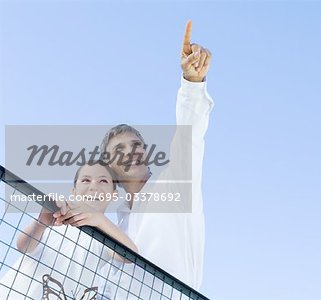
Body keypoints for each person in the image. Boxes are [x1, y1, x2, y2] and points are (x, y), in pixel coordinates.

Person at [100, 20, 213, 293]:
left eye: (136, 145)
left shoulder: (175, 185)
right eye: (120, 151)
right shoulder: (118, 225)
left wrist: (192, 84)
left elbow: (189, 136)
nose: (132, 152)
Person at [0, 162, 138, 299]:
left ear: (114, 195)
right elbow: (23, 246)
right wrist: (41, 224)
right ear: (74, 191)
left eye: (103, 180)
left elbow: (130, 255)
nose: (93, 186)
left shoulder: (107, 234)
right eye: (86, 180)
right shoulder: (58, 215)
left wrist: (100, 219)